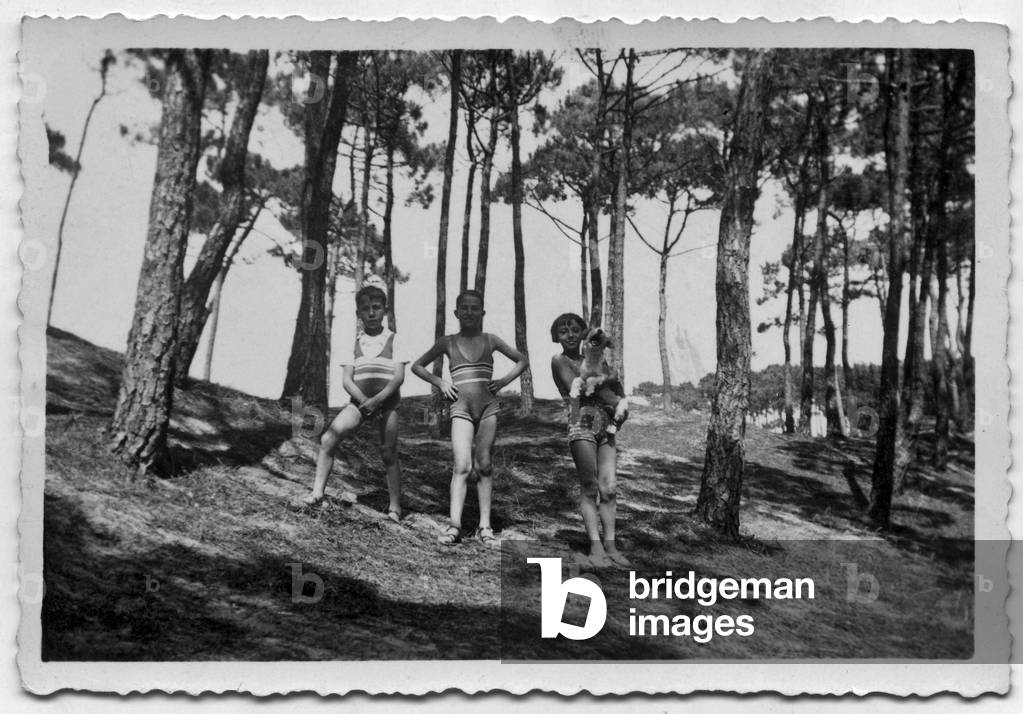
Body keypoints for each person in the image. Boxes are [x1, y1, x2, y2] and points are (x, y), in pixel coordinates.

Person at [412, 290, 528, 546]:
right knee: (462, 466)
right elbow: (417, 366)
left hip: (488, 409)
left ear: (482, 313)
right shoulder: (447, 342)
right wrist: (440, 382)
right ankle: (454, 525)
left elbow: (522, 360)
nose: (469, 312)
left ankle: (485, 526)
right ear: (456, 312)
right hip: (461, 409)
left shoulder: (491, 339)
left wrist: (503, 381)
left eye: (475, 308)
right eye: (464, 307)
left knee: (484, 465)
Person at [301, 285, 406, 522]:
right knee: (328, 439)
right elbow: (347, 381)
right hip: (359, 403)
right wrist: (365, 402)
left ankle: (395, 508)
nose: (371, 313)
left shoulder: (394, 339)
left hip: (387, 404)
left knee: (389, 452)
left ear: (385, 310)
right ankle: (317, 493)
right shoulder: (354, 342)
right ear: (358, 313)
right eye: (366, 309)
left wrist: (378, 401)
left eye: (376, 308)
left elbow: (398, 378)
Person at [550, 312, 632, 568]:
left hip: (606, 424)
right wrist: (609, 381)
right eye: (564, 331)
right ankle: (595, 546)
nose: (570, 335)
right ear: (556, 337)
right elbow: (582, 390)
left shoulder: (597, 360)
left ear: (584, 334)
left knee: (609, 488)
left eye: (575, 330)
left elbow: (618, 392)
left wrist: (620, 410)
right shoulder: (560, 360)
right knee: (590, 486)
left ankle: (611, 545)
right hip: (581, 422)